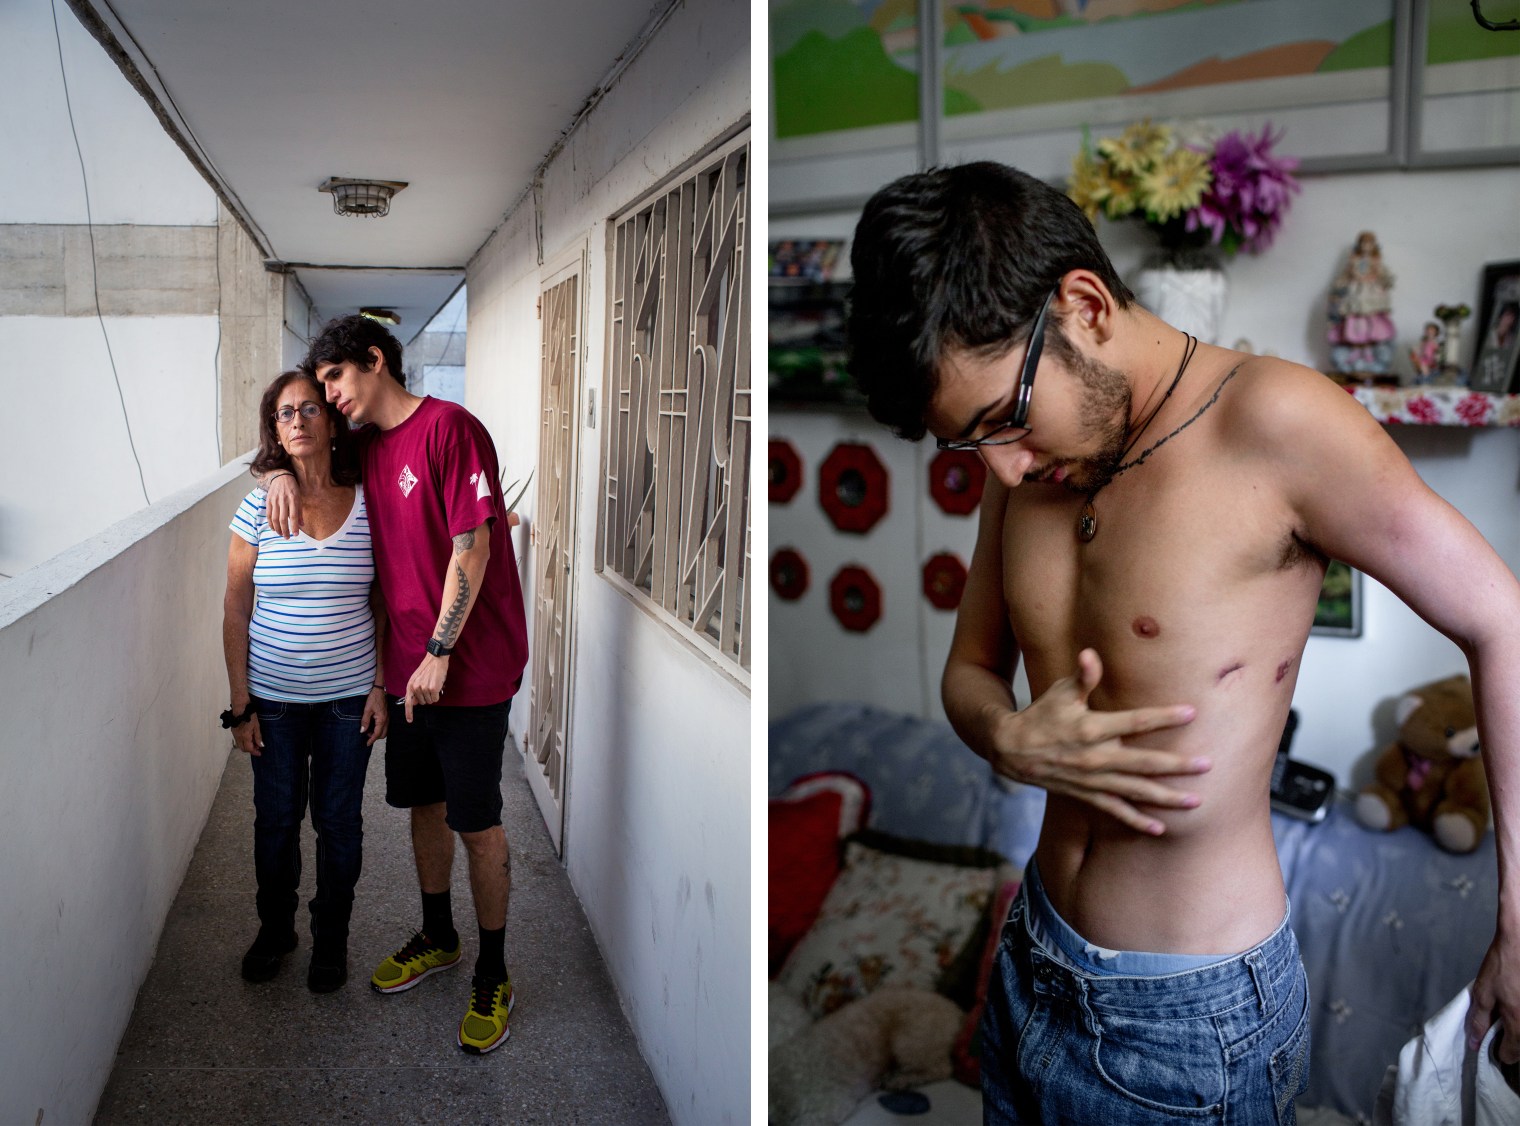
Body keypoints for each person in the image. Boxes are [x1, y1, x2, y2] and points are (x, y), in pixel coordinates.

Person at [846, 161, 1520, 1124]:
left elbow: (1503, 620)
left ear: (1083, 304)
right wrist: (1005, 737)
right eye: (970, 444)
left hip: (1187, 1021)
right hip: (1030, 959)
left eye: (1003, 420)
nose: (1000, 467)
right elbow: (971, 672)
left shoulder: (1277, 423)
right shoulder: (1022, 465)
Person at [265, 315, 529, 1055]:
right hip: (407, 672)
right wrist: (276, 473)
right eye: (321, 388)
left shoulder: (452, 428)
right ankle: (438, 935)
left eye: (336, 380)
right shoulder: (366, 448)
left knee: (477, 823)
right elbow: (287, 444)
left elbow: (471, 547)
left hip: (468, 672)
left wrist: (441, 648)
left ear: (374, 361)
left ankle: (495, 970)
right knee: (423, 806)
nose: (329, 398)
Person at [222, 370, 388, 993]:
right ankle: (276, 929)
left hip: (349, 701)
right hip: (275, 701)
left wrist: (379, 687)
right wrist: (242, 706)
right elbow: (236, 608)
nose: (297, 421)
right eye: (285, 413)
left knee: (340, 824)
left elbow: (383, 603)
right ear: (275, 428)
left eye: (310, 409)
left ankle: (331, 938)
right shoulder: (257, 505)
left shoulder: (368, 501)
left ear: (331, 418)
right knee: (276, 821)